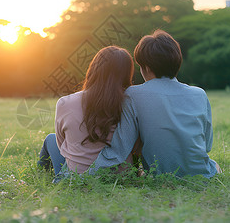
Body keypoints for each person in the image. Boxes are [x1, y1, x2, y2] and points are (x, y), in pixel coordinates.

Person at [89, 30, 220, 178]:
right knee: (215, 165)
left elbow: (119, 150)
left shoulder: (133, 95)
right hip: (203, 175)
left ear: (147, 67)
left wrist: (84, 174)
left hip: (160, 176)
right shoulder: (199, 94)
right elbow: (207, 146)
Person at [37, 46, 135, 175]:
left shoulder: (64, 102)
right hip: (121, 176)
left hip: (79, 176)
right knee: (51, 139)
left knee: (51, 139)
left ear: (93, 69)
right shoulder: (132, 102)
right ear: (127, 74)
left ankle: (39, 176)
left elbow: (62, 144)